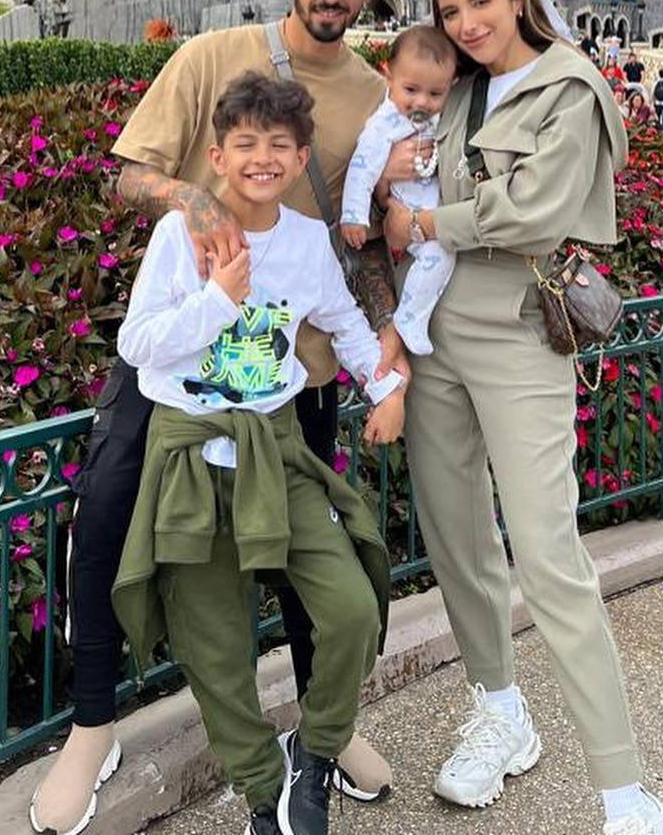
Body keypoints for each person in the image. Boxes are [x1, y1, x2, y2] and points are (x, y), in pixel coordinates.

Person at [31, 0, 409, 835]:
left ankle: (322, 736)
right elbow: (130, 171)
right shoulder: (212, 57)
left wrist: (389, 340)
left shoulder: (373, 92)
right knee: (111, 526)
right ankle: (92, 725)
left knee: (305, 561)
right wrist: (198, 212)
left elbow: (360, 242)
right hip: (184, 374)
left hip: (293, 374)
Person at [387, 0, 663, 835]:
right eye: (452, 9)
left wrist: (431, 223)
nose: (469, 21)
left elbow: (534, 212)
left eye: (482, 0)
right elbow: (412, 172)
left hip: (518, 328)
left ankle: (622, 789)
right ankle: (499, 711)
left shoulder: (572, 86)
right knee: (455, 537)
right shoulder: (461, 92)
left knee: (549, 554)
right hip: (436, 329)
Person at [111, 73, 405, 835]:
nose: (263, 159)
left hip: (274, 450)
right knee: (214, 647)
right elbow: (136, 344)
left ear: (301, 153)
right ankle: (262, 793)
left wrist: (386, 388)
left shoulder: (307, 242)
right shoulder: (180, 236)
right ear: (216, 155)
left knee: (347, 609)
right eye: (246, 144)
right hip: (191, 456)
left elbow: (342, 322)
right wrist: (218, 303)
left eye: (280, 145)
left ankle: (315, 754)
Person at [340, 25, 458, 355]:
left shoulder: (434, 119)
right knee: (438, 255)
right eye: (411, 90)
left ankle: (411, 317)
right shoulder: (385, 124)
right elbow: (361, 168)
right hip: (406, 207)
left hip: (427, 209)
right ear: (388, 77)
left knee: (439, 257)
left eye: (435, 94)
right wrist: (353, 215)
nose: (421, 101)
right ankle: (409, 318)